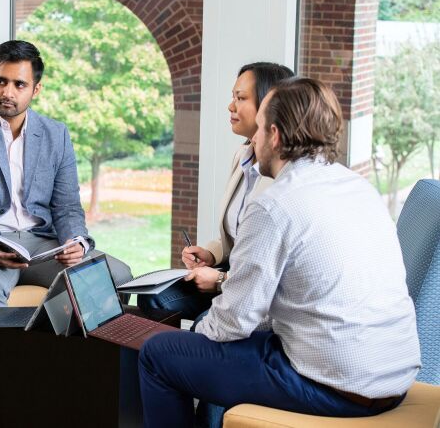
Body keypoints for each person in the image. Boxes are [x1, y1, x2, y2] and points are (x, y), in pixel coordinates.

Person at [138, 77, 421, 427]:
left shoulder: (274, 205)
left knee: (159, 354)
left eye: (258, 129)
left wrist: (192, 339)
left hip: (336, 387)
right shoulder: (359, 187)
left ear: (274, 135)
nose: (253, 140)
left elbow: (233, 322)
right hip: (394, 379)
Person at [0, 40, 132, 320]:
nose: (7, 92)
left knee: (118, 275)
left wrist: (76, 242)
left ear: (36, 89)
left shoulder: (56, 134)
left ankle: (70, 349)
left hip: (43, 246)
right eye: (1, 81)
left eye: (19, 84)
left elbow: (67, 207)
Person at [138, 62, 294, 319]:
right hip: (229, 273)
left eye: (240, 98)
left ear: (269, 105)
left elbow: (268, 273)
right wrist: (211, 254)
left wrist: (220, 280)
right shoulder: (243, 156)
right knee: (153, 298)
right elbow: (237, 235)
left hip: (257, 291)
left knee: (204, 324)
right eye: (233, 97)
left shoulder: (284, 178)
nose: (231, 106)